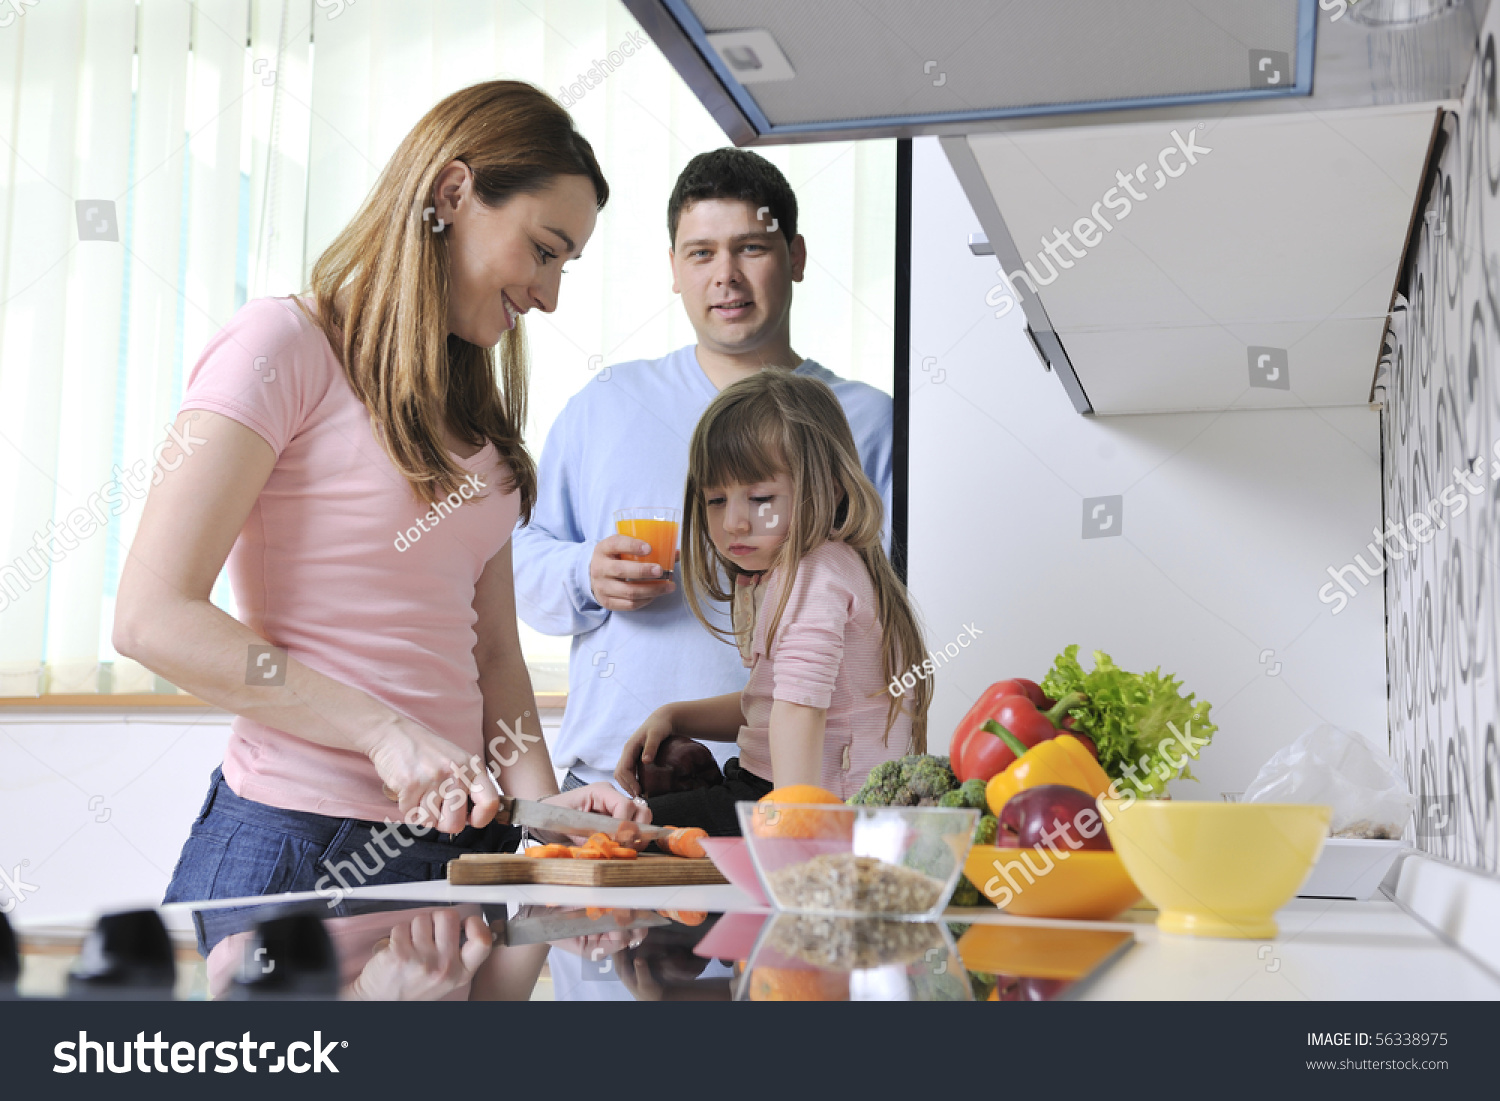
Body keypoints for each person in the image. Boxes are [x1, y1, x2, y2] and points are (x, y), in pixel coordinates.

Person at [113, 80, 648, 905]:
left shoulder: (479, 417)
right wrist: (384, 733)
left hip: (458, 850)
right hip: (295, 845)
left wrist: (543, 810)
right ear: (453, 193)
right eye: (544, 251)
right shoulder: (281, 345)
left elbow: (494, 655)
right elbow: (153, 616)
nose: (550, 295)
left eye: (565, 264)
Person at [512, 148, 893, 799]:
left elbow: (889, 613)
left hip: (795, 790)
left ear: (796, 257)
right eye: (701, 253)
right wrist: (586, 573)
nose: (726, 276)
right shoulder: (606, 404)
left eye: (751, 248)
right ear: (673, 269)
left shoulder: (867, 422)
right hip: (615, 782)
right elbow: (516, 567)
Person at [613, 370, 931, 832]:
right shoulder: (822, 565)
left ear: (830, 488)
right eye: (717, 500)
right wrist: (674, 715)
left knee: (619, 831)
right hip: (787, 794)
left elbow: (799, 711)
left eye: (761, 498)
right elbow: (775, 702)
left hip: (805, 804)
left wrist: (792, 830)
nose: (734, 522)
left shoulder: (812, 574)